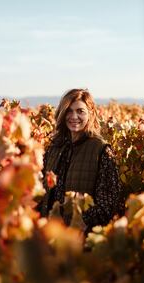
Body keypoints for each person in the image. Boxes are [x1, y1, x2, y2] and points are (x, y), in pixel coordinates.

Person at [37, 88, 124, 231]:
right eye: (69, 111)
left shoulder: (101, 151)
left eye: (80, 111)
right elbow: (43, 193)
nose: (74, 116)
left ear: (91, 114)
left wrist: (79, 224)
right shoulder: (54, 148)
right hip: (50, 235)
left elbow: (108, 204)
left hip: (79, 241)